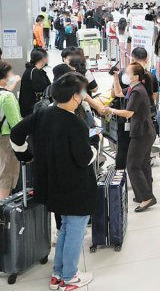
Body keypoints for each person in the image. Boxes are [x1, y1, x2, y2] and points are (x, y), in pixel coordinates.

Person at [10, 72, 96, 290]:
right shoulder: (76, 125)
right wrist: (94, 148)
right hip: (74, 185)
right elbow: (84, 158)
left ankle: (58, 273)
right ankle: (69, 277)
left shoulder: (43, 113)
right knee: (75, 228)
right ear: (75, 97)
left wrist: (26, 155)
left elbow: (16, 133)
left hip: (50, 183)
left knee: (65, 227)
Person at [104, 63, 157, 212]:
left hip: (142, 133)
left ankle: (146, 198)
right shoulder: (134, 88)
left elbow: (128, 113)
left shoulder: (137, 91)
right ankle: (144, 194)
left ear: (135, 77)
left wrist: (111, 110)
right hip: (145, 131)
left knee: (133, 164)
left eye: (126, 73)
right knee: (143, 164)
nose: (124, 75)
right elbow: (119, 92)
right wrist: (115, 77)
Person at [0, 62, 21, 199]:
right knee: (5, 175)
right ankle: (2, 211)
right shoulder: (7, 97)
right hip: (6, 139)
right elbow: (16, 124)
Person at [19, 47, 51, 117]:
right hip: (32, 108)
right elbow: (42, 88)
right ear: (43, 59)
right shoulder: (35, 72)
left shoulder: (33, 69)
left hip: (28, 106)